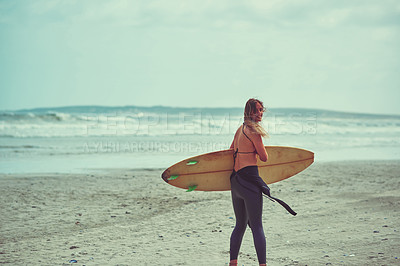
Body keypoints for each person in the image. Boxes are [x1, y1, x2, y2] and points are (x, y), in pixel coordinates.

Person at [228, 98, 269, 266]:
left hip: (236, 182)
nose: (260, 113)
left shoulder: (240, 130)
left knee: (240, 225)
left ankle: (233, 262)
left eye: (261, 110)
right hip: (250, 182)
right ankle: (263, 265)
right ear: (249, 112)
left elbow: (231, 151)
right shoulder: (254, 131)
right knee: (257, 226)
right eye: (257, 110)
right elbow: (264, 157)